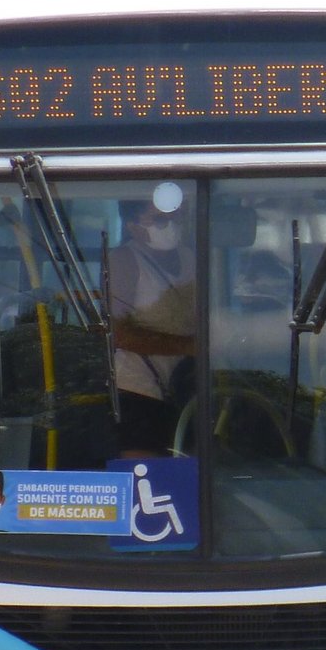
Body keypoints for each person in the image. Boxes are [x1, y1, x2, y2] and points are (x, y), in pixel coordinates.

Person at [109, 188, 195, 457]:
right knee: (148, 483)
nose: (170, 226)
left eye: (176, 217)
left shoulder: (192, 258)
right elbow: (117, 333)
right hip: (137, 395)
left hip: (187, 391)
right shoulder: (123, 261)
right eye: (158, 220)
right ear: (132, 226)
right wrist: (189, 346)